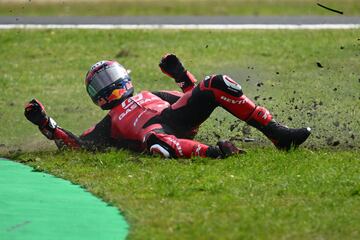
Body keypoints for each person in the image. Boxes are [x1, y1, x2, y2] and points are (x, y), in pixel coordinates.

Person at [24, 54, 311, 159]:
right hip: (158, 134)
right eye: (101, 83)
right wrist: (44, 123)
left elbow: (192, 95)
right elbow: (77, 146)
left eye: (110, 78)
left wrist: (181, 74)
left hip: (175, 118)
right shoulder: (107, 125)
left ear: (124, 76)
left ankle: (278, 134)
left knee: (217, 82)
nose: (109, 85)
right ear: (95, 96)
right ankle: (217, 154)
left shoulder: (154, 93)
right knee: (157, 142)